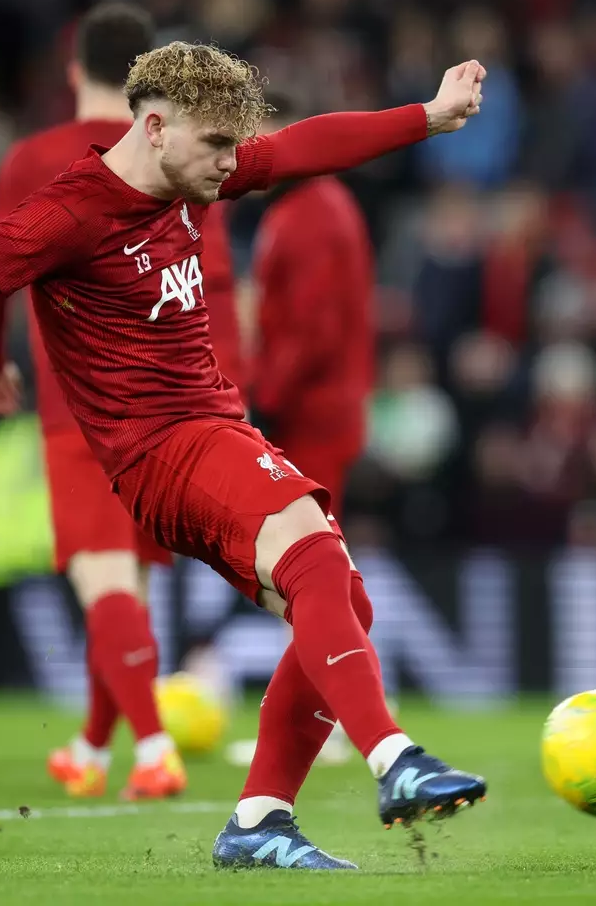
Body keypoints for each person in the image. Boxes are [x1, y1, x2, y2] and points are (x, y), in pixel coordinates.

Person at [0, 41, 489, 871]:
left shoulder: (192, 173)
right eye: (217, 146)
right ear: (155, 126)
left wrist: (430, 116)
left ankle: (260, 820)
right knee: (309, 545)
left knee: (341, 603)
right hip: (162, 449)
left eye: (235, 147)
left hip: (208, 433)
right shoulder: (69, 215)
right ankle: (394, 758)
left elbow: (307, 145)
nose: (231, 165)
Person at [0, 3, 242, 803]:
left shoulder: (33, 159)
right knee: (130, 589)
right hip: (180, 403)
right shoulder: (181, 154)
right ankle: (92, 747)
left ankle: (154, 747)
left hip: (77, 405)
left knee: (104, 583)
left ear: (73, 71)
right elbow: (213, 283)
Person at [233, 90, 379, 769]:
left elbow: (311, 331)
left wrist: (264, 398)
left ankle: (348, 720)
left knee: (315, 575)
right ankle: (353, 715)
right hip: (324, 409)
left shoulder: (309, 215)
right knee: (320, 572)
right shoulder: (311, 209)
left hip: (311, 414)